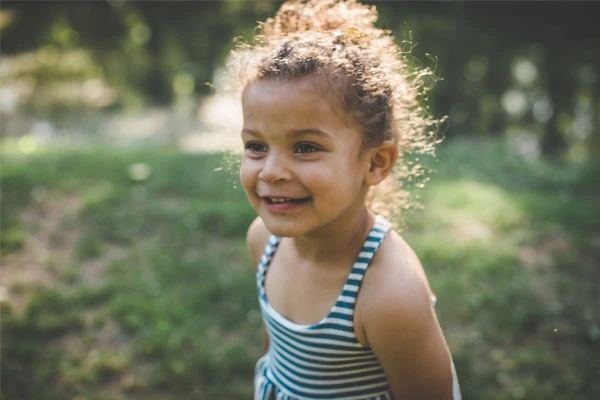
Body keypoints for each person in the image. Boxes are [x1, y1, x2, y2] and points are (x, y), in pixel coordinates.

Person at [229, 0, 461, 398]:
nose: (271, 171)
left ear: (375, 163)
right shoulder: (263, 242)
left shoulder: (388, 293)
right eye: (256, 146)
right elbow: (276, 353)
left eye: (304, 147)